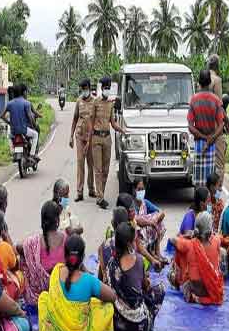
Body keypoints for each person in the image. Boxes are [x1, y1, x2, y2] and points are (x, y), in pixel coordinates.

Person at [38, 235, 118, 331]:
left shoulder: (56, 271)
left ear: (65, 254)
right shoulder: (88, 280)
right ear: (82, 257)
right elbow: (112, 297)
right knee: (106, 307)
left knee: (44, 297)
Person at [106, 222, 165, 331]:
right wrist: (146, 280)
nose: (136, 243)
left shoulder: (111, 264)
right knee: (160, 290)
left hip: (118, 326)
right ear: (129, 244)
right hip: (138, 327)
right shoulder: (138, 260)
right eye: (134, 240)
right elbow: (145, 288)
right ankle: (150, 327)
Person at [168, 212, 224, 304]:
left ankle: (176, 279)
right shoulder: (216, 240)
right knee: (221, 253)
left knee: (181, 254)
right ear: (210, 231)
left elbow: (171, 239)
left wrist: (185, 236)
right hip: (213, 290)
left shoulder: (189, 244)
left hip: (196, 291)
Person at [18, 200, 66, 306]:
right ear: (57, 220)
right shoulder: (66, 239)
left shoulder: (32, 243)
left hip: (38, 297)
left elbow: (18, 247)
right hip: (62, 295)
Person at [90, 76, 125, 209]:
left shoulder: (110, 104)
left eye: (108, 88)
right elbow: (91, 121)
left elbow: (113, 123)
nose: (107, 90)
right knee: (98, 169)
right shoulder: (96, 102)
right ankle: (100, 198)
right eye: (105, 88)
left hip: (107, 139)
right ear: (101, 88)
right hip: (96, 138)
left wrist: (122, 130)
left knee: (105, 170)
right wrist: (89, 138)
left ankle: (101, 193)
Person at [188, 69, 226, 188]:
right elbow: (221, 125)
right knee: (210, 181)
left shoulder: (194, 100)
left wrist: (203, 138)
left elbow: (190, 126)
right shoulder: (216, 100)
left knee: (199, 183)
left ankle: (199, 204)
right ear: (210, 83)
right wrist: (210, 138)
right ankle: (210, 204)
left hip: (199, 144)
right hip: (211, 145)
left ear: (199, 83)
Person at [69, 78, 96, 202]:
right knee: (80, 163)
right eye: (82, 89)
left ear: (89, 88)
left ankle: (91, 189)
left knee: (91, 164)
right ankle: (79, 192)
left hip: (90, 137)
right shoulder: (79, 101)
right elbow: (75, 119)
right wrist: (71, 136)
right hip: (79, 136)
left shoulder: (95, 102)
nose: (84, 91)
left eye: (85, 88)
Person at [2, 84, 39, 160]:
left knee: (9, 137)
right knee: (35, 134)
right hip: (23, 130)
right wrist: (33, 126)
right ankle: (32, 155)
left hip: (14, 131)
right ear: (23, 92)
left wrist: (9, 123)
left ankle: (13, 152)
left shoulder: (9, 104)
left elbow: (2, 116)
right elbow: (30, 117)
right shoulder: (26, 103)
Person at [133, 179, 167, 259]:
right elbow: (136, 220)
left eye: (143, 189)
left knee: (159, 223)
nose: (141, 191)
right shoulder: (132, 204)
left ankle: (155, 250)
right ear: (134, 190)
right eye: (139, 189)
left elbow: (161, 213)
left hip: (146, 230)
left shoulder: (145, 202)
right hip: (137, 233)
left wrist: (155, 220)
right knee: (149, 223)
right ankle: (149, 253)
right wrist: (151, 222)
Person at [208, 54, 229, 177]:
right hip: (216, 126)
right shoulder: (216, 80)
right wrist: (228, 123)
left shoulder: (202, 80)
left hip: (203, 124)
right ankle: (218, 192)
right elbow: (219, 105)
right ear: (217, 65)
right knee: (219, 163)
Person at [99, 206, 131, 280]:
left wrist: (104, 276)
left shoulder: (105, 245)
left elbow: (102, 269)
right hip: (127, 286)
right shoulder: (131, 242)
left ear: (114, 223)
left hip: (111, 287)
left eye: (112, 218)